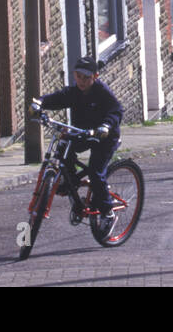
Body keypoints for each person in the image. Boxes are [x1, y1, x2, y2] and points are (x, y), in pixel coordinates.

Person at [30, 56, 124, 231]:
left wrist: (106, 126)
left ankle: (107, 213)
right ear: (74, 75)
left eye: (86, 78)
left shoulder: (102, 92)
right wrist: (40, 103)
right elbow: (57, 98)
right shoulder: (74, 92)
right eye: (79, 76)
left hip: (104, 137)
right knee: (64, 145)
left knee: (96, 173)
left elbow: (116, 110)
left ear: (95, 77)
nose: (82, 81)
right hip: (83, 133)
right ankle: (70, 183)